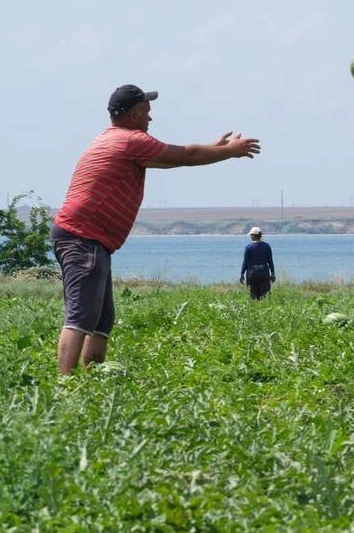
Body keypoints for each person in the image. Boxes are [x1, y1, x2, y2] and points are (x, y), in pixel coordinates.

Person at [51, 84, 261, 375]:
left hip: (89, 237)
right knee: (80, 316)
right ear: (134, 115)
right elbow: (185, 155)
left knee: (101, 319)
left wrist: (217, 149)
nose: (150, 119)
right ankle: (65, 386)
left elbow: (171, 158)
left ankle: (92, 380)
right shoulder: (130, 140)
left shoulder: (114, 140)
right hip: (83, 236)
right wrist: (228, 152)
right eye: (147, 113)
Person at [241, 226, 276, 299]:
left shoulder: (248, 247)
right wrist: (273, 273)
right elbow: (270, 261)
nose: (250, 237)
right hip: (264, 273)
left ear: (254, 235)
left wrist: (242, 274)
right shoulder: (266, 246)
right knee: (264, 295)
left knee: (253, 296)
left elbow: (245, 262)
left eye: (251, 235)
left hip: (252, 274)